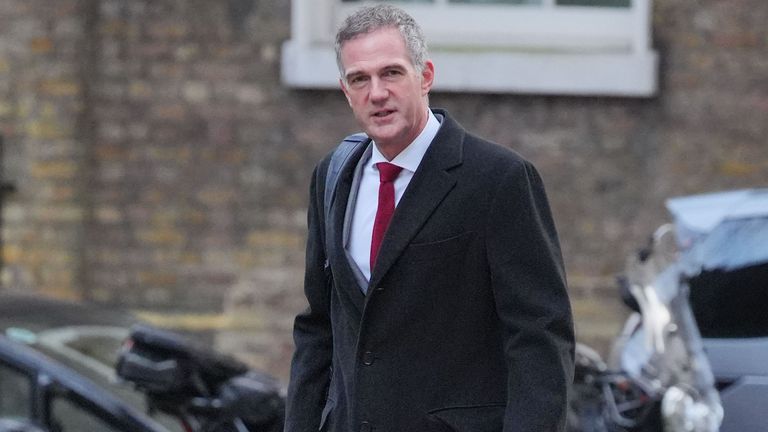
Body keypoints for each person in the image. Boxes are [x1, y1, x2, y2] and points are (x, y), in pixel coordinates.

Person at [284, 4, 574, 432]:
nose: (377, 92)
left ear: (426, 76)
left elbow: (540, 337)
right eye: (360, 79)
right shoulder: (332, 175)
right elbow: (318, 328)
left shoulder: (498, 179)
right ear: (346, 91)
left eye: (392, 73)